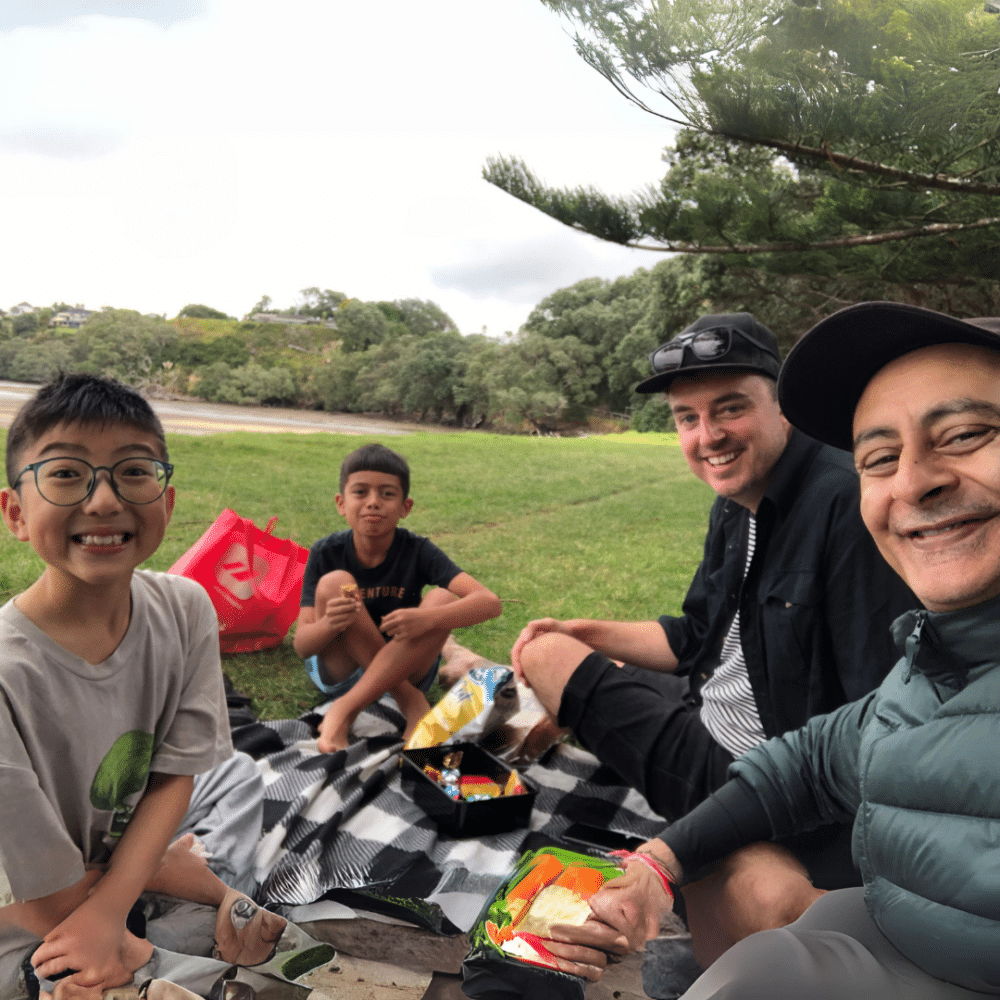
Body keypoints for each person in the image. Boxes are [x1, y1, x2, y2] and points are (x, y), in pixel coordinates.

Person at [546, 302, 1000, 999]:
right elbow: (814, 744)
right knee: (553, 651)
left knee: (750, 891)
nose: (912, 481)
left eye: (966, 433)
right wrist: (660, 862)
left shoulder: (842, 512)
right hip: (730, 724)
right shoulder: (933, 662)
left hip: (742, 755)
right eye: (880, 456)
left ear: (781, 410)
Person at [0, 374, 287, 1000]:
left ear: (169, 500)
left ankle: (159, 913)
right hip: (33, 905)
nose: (104, 501)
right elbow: (39, 895)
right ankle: (175, 913)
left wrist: (128, 888)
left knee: (234, 773)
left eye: (133, 472)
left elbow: (173, 778)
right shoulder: (6, 672)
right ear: (16, 513)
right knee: (59, 967)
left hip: (116, 856)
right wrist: (174, 883)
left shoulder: (184, 607)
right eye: (67, 475)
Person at [293, 442, 502, 753]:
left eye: (387, 494)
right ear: (341, 503)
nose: (373, 503)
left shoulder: (419, 550)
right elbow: (302, 645)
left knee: (443, 598)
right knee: (336, 582)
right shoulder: (326, 552)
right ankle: (406, 700)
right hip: (343, 671)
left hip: (406, 666)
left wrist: (429, 617)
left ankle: (345, 709)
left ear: (406, 507)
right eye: (360, 492)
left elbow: (489, 602)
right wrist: (328, 625)